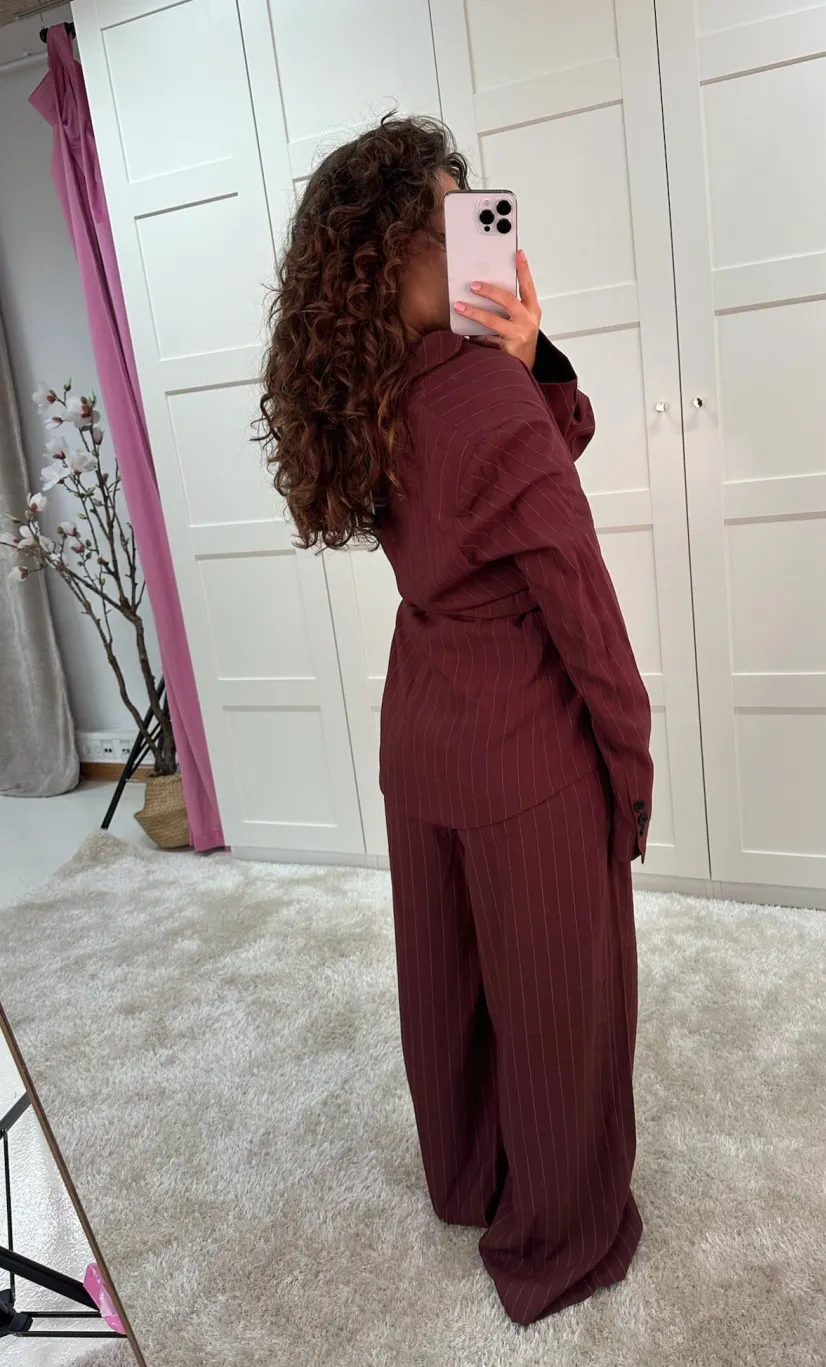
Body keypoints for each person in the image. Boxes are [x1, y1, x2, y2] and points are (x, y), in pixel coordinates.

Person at [258, 115, 653, 1326]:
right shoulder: (482, 393)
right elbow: (579, 604)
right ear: (398, 250)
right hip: (523, 737)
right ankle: (559, 1237)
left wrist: (528, 355)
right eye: (451, 217)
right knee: (558, 995)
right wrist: (628, 770)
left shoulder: (367, 390)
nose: (475, 231)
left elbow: (538, 452)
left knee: (450, 977)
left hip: (422, 723)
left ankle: (469, 1176)